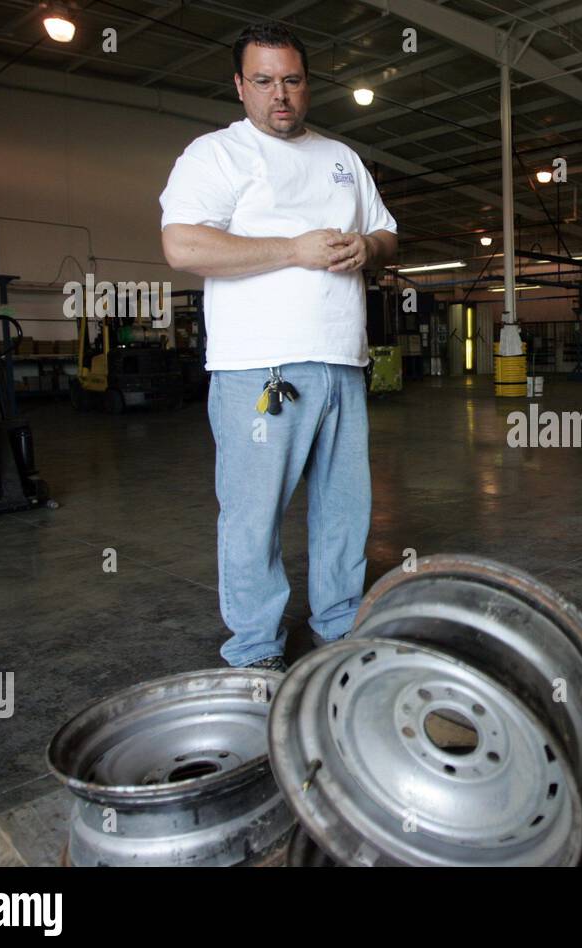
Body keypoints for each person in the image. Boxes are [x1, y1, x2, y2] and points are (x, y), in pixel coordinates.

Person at [159, 22, 398, 672]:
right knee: (253, 517)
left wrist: (366, 248)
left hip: (342, 367)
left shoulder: (343, 159)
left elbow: (385, 233)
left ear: (307, 83)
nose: (280, 95)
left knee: (345, 512)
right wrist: (293, 250)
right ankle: (256, 652)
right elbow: (183, 245)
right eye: (263, 81)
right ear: (240, 86)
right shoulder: (216, 156)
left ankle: (339, 629)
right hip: (258, 370)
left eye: (291, 80)